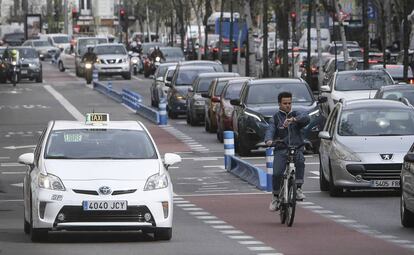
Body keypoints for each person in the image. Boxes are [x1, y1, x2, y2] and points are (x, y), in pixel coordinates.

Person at [264, 92, 310, 211]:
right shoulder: (275, 118)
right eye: (285, 103)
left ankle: (298, 189)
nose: (288, 105)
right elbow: (270, 130)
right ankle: (275, 197)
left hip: (296, 148)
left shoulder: (296, 114)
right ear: (279, 104)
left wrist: (294, 120)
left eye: (289, 103)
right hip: (281, 149)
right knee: (277, 173)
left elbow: (306, 118)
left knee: (300, 161)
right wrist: (269, 140)